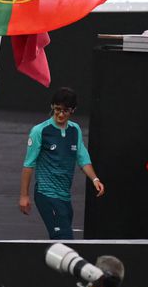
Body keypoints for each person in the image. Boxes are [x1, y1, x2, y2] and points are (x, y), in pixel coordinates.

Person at [19, 87, 105, 239]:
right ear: (52, 106)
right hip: (46, 194)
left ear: (73, 110)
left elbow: (82, 157)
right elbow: (28, 164)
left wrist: (95, 179)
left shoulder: (75, 129)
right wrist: (24, 196)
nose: (60, 114)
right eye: (57, 109)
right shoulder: (40, 131)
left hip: (65, 197)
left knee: (61, 240)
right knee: (63, 238)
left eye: (65, 110)